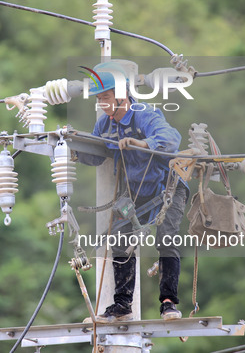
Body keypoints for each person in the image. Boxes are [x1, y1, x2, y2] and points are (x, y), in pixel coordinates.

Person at [76, 62, 189, 322]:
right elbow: (96, 155)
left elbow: (170, 139)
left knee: (167, 239)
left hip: (166, 189)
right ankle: (122, 305)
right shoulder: (105, 125)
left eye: (105, 98)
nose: (102, 104)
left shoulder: (144, 114)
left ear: (121, 96)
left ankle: (169, 303)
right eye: (99, 99)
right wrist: (73, 149)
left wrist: (141, 143)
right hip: (137, 194)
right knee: (119, 238)